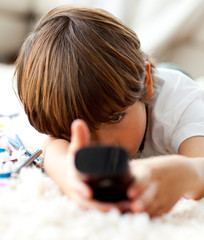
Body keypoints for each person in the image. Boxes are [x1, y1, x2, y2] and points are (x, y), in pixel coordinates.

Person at [14, 6, 204, 217]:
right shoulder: (62, 109)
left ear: (146, 82)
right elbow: (52, 146)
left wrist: (184, 172)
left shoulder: (179, 105)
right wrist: (68, 175)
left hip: (175, 83)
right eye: (78, 129)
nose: (103, 144)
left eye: (115, 118)